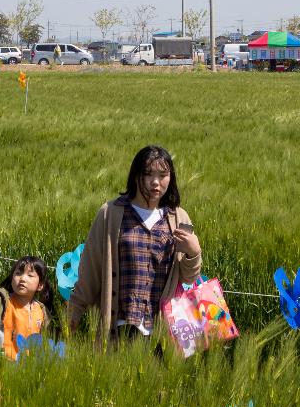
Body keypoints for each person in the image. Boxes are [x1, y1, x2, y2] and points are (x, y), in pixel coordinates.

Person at [67, 145, 202, 345]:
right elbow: (90, 273)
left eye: (163, 175)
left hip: (160, 335)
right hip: (119, 329)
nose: (155, 182)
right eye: (147, 174)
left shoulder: (178, 217)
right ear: (135, 175)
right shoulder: (110, 213)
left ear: (171, 178)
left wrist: (194, 252)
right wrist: (71, 316)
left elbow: (189, 277)